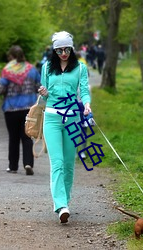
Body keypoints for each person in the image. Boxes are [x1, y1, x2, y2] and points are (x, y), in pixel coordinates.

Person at [38, 31, 91, 223]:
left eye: (67, 49)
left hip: (73, 119)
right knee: (57, 163)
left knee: (69, 164)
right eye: (59, 50)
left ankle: (65, 201)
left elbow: (84, 90)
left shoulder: (80, 68)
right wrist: (43, 92)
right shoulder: (46, 68)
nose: (63, 53)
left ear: (72, 48)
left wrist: (86, 104)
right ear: (54, 50)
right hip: (51, 118)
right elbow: (44, 97)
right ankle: (60, 205)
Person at [0, 45, 41, 175]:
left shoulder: (7, 71)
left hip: (11, 109)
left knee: (13, 138)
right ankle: (28, 163)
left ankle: (13, 166)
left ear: (11, 57)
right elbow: (39, 87)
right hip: (28, 109)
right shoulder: (32, 70)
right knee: (27, 137)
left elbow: (0, 90)